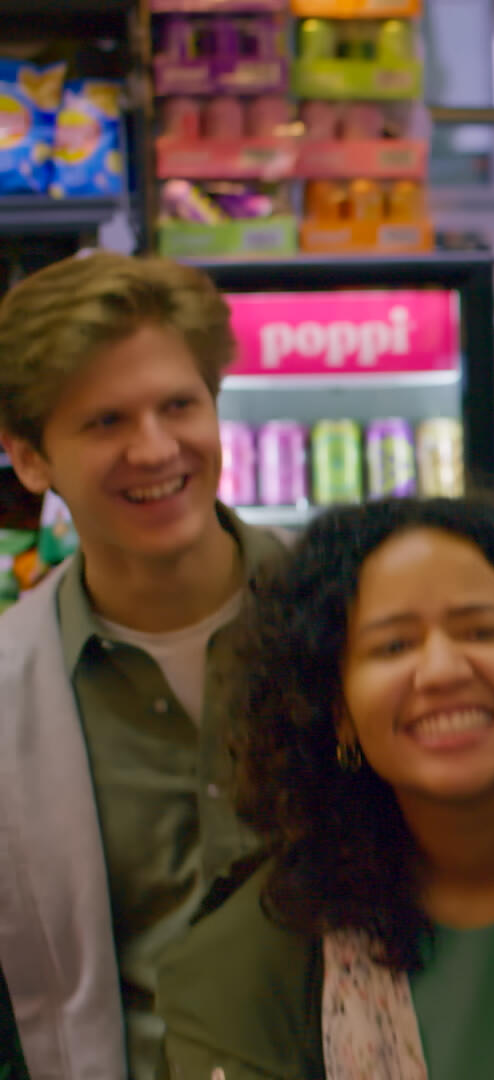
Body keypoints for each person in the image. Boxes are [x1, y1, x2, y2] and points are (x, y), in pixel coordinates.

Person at [155, 497, 494, 1079]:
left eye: (481, 631)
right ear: (337, 711)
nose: (443, 670)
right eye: (394, 646)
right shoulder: (249, 965)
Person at [0, 253, 290, 1080]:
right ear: (30, 459)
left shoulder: (353, 625)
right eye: (105, 422)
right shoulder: (12, 690)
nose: (156, 449)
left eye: (178, 406)